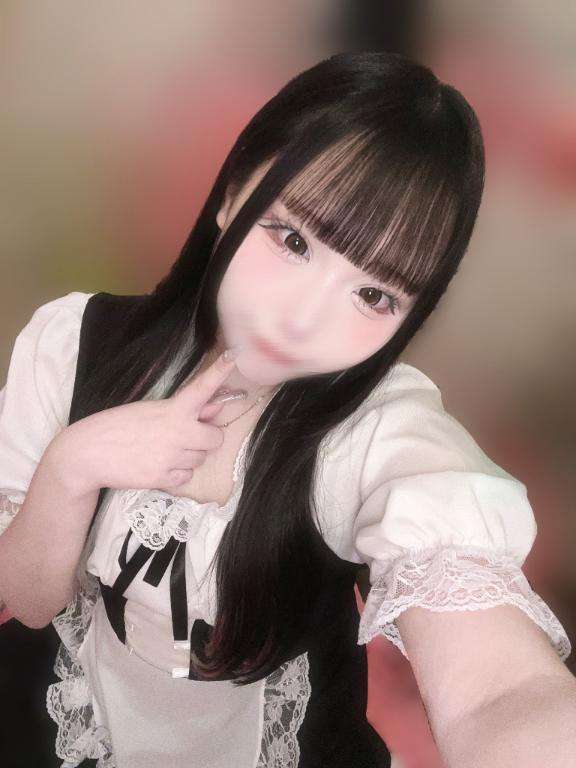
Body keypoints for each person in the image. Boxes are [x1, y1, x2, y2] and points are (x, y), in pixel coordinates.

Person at [0, 51, 573, 768]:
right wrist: (75, 462)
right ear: (233, 193)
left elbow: (498, 691)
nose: (304, 320)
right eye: (295, 240)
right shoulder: (74, 343)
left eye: (374, 295)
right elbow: (28, 601)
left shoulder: (373, 436)